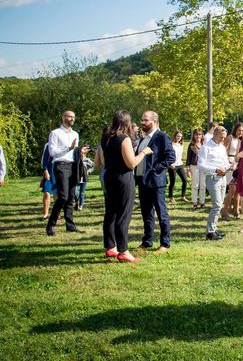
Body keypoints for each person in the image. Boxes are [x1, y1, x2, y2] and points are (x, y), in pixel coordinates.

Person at [98, 110, 152, 263]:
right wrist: (144, 153)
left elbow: (102, 160)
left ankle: (110, 247)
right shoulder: (124, 139)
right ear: (127, 122)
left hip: (109, 176)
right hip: (123, 178)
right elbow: (132, 163)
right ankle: (124, 251)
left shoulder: (106, 137)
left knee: (110, 213)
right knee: (123, 214)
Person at [135, 111, 176, 253]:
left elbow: (171, 157)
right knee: (146, 213)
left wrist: (155, 169)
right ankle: (147, 241)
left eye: (146, 120)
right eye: (142, 120)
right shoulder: (143, 138)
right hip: (142, 181)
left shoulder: (162, 137)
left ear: (155, 121)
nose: (142, 122)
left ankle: (165, 243)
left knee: (161, 212)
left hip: (156, 181)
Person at [46, 110, 90, 236]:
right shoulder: (55, 133)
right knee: (63, 196)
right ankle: (51, 224)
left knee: (70, 197)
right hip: (61, 165)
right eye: (69, 117)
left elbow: (74, 152)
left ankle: (70, 226)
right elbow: (52, 152)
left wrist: (80, 152)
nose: (72, 119)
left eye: (73, 117)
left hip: (73, 165)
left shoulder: (75, 134)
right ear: (63, 117)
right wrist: (68, 148)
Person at [198, 126, 231, 241]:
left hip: (223, 178)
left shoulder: (222, 147)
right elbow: (200, 165)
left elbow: (225, 162)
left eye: (224, 137)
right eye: (221, 137)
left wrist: (229, 166)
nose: (223, 139)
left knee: (220, 205)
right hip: (212, 177)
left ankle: (213, 229)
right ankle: (210, 232)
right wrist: (216, 169)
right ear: (215, 134)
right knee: (217, 205)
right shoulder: (205, 147)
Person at [222, 122, 243, 220]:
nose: (240, 132)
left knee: (237, 190)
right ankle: (225, 211)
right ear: (235, 129)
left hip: (238, 164)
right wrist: (229, 164)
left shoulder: (241, 140)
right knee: (232, 190)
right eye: (239, 130)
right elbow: (223, 152)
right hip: (230, 164)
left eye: (242, 131)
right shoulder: (230, 138)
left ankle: (236, 210)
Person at [186, 128, 206, 210]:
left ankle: (202, 202)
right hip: (194, 166)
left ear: (202, 135)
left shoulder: (205, 145)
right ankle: (194, 203)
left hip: (203, 167)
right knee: (195, 185)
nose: (198, 136)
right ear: (194, 135)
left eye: (199, 134)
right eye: (196, 134)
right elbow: (188, 158)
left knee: (203, 185)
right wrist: (188, 169)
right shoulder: (191, 145)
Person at [168, 131, 188, 204]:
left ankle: (183, 196)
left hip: (180, 164)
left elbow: (180, 155)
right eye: (178, 136)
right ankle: (171, 197)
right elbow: (167, 155)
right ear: (174, 136)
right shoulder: (171, 145)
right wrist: (170, 164)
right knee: (172, 182)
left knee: (185, 180)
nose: (179, 138)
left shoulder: (181, 144)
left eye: (180, 136)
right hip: (172, 165)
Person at [40, 142, 57, 220]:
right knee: (47, 192)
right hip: (49, 171)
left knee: (57, 194)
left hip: (59, 171)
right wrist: (45, 171)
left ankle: (56, 213)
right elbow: (44, 160)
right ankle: (46, 214)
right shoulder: (48, 145)